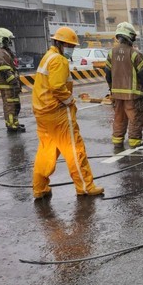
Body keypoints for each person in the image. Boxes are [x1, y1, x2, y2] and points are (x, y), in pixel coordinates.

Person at [32, 26, 104, 199]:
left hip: (43, 113)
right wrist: (69, 101)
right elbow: (57, 87)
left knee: (46, 150)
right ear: (61, 44)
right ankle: (85, 186)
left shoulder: (48, 57)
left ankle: (39, 188)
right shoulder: (59, 61)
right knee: (75, 149)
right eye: (70, 46)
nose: (71, 49)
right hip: (57, 113)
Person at [104, 22, 143, 149]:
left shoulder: (111, 53)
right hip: (132, 95)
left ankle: (117, 141)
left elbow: (108, 74)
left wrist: (111, 89)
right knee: (135, 118)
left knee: (119, 118)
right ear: (129, 37)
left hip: (117, 95)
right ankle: (135, 142)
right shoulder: (135, 54)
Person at [0, 28, 25, 132]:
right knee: (10, 106)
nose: (10, 42)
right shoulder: (0, 52)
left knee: (14, 105)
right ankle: (12, 126)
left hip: (10, 85)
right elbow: (5, 70)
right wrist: (14, 82)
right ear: (2, 39)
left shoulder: (4, 51)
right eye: (8, 39)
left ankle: (14, 123)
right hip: (7, 85)